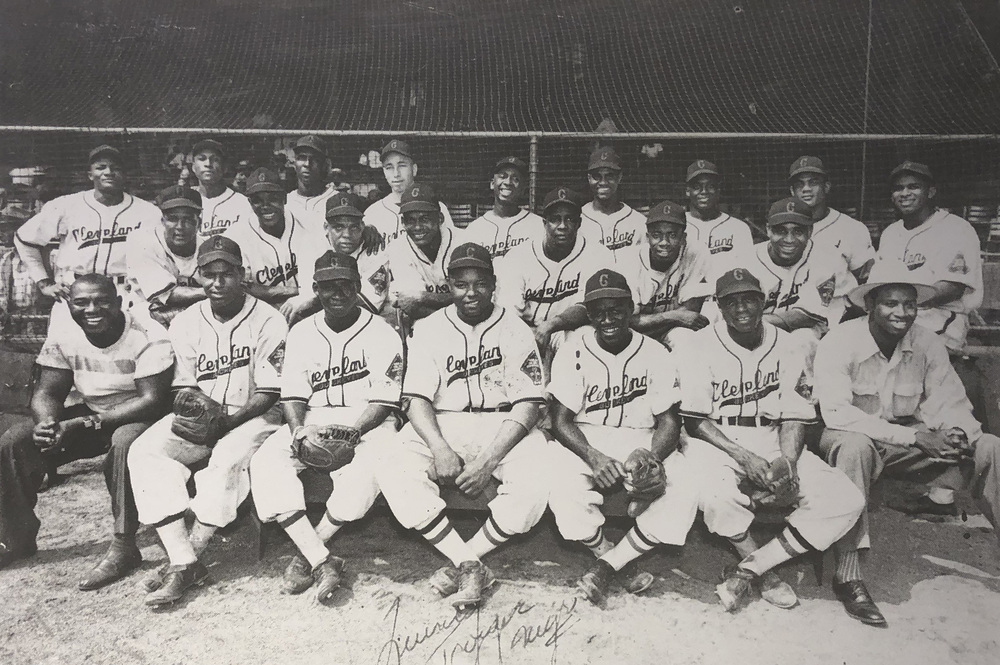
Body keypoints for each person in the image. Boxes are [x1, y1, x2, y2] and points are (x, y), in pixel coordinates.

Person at [815, 259, 1000, 627]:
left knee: (989, 447)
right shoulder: (840, 340)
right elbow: (837, 413)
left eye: (909, 304)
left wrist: (958, 432)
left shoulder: (926, 341)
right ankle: (848, 575)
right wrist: (916, 436)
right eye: (891, 303)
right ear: (870, 305)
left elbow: (948, 399)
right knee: (854, 447)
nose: (902, 313)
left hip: (908, 439)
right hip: (854, 435)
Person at [374, 243, 552, 609]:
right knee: (392, 467)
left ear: (494, 285)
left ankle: (465, 559)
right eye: (461, 284)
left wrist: (488, 461)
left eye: (480, 283)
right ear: (449, 285)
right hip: (446, 420)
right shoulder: (429, 329)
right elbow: (417, 399)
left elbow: (528, 404)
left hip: (504, 424)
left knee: (537, 482)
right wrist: (439, 447)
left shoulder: (516, 329)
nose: (471, 293)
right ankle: (469, 564)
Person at [677, 268, 864, 614]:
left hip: (773, 435)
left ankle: (752, 568)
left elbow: (794, 414)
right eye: (731, 302)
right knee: (716, 494)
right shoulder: (698, 345)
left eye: (749, 299)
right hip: (717, 439)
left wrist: (788, 463)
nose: (741, 308)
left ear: (763, 302)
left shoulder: (789, 344)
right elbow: (694, 420)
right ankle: (767, 577)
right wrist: (744, 457)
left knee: (846, 499)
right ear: (719, 307)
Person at [128, 236, 288, 607]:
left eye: (226, 273)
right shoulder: (186, 321)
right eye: (209, 274)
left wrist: (228, 422)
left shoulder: (269, 319)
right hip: (206, 415)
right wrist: (195, 410)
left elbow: (270, 391)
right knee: (144, 451)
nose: (217, 282)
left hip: (256, 414)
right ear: (198, 276)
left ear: (241, 274)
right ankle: (184, 560)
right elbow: (184, 384)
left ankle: (188, 557)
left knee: (227, 460)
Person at [0, 275, 173, 590]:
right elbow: (48, 392)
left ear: (118, 303)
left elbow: (152, 401)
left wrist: (85, 423)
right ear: (69, 305)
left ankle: (124, 545)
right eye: (81, 302)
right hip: (94, 411)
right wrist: (47, 423)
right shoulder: (65, 333)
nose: (91, 310)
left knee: (124, 442)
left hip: (142, 416)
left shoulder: (147, 333)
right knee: (15, 441)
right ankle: (14, 538)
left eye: (101, 301)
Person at [250, 251, 403, 604]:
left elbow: (385, 399)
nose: (338, 293)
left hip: (369, 421)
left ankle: (309, 551)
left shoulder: (383, 333)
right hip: (314, 417)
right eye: (328, 286)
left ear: (358, 286)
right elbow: (292, 394)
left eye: (345, 285)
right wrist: (299, 431)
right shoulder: (301, 332)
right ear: (316, 289)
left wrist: (352, 433)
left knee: (370, 469)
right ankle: (322, 559)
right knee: (266, 462)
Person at [545, 269, 697, 606]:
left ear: (631, 309)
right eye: (598, 312)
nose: (607, 319)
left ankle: (607, 566)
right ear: (589, 315)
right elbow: (560, 420)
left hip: (641, 437)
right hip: (586, 436)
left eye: (615, 310)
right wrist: (593, 456)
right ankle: (609, 553)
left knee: (685, 488)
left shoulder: (656, 352)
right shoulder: (573, 350)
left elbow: (669, 420)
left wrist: (652, 456)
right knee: (561, 486)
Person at [875, 161, 985, 421]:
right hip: (899, 315)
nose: (905, 193)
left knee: (906, 347)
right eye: (898, 188)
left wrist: (903, 303)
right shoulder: (891, 233)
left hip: (942, 317)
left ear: (931, 192)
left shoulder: (956, 228)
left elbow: (952, 288)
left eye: (914, 186)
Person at [14, 145, 159, 305]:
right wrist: (44, 283)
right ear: (90, 175)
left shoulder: (148, 212)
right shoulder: (65, 205)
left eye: (116, 168)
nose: (109, 172)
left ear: (125, 175)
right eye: (101, 167)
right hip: (74, 289)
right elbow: (25, 240)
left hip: (126, 292)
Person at [728, 197, 850, 379]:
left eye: (798, 231)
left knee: (801, 339)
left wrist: (753, 323)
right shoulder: (744, 259)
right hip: (756, 334)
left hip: (806, 334)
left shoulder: (828, 258)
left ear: (810, 231)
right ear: (768, 230)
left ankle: (803, 394)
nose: (789, 239)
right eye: (781, 231)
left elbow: (807, 316)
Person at [497, 187, 614, 362]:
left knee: (585, 338)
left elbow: (589, 306)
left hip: (570, 329)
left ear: (579, 223)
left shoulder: (597, 254)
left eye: (569, 219)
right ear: (544, 223)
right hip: (527, 329)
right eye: (555, 219)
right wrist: (529, 336)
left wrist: (551, 325)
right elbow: (509, 314)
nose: (562, 226)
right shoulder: (518, 257)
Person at [223, 167, 327, 323]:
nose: (265, 205)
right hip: (262, 316)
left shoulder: (310, 222)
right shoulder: (237, 235)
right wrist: (299, 292)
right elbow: (242, 286)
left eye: (273, 198)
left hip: (312, 309)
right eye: (257, 200)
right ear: (250, 203)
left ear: (284, 198)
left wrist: (309, 295)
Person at [620, 199, 711, 349]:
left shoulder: (696, 253)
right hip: (633, 333)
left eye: (672, 235)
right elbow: (626, 320)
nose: (664, 242)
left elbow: (691, 313)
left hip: (673, 329)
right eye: (657, 235)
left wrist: (652, 322)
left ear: (683, 238)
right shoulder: (629, 260)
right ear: (647, 237)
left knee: (686, 338)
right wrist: (674, 316)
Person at [295, 193, 391, 317]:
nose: (347, 234)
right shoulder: (311, 244)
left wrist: (317, 299)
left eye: (354, 227)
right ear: (326, 227)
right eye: (338, 227)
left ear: (362, 226)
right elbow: (307, 295)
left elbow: (369, 304)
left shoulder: (376, 249)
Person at [126, 186, 206, 326]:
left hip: (192, 315)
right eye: (173, 219)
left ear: (198, 223)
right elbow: (168, 295)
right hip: (148, 317)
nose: (180, 226)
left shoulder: (206, 246)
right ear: (162, 221)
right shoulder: (143, 243)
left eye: (188, 219)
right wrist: (215, 291)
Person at [385, 183, 464, 324]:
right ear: (403, 222)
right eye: (410, 220)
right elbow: (412, 306)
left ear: (440, 218)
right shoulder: (398, 248)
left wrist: (423, 297)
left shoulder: (463, 242)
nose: (417, 227)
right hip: (428, 325)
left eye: (424, 219)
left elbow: (473, 296)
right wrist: (454, 300)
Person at [362, 139, 455, 250]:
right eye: (389, 167)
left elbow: (449, 249)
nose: (396, 173)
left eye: (402, 165)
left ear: (414, 169)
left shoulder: (436, 207)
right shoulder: (372, 213)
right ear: (384, 172)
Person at [683, 159, 753, 276]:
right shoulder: (676, 226)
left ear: (718, 190)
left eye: (710, 186)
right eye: (697, 186)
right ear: (687, 191)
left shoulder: (738, 228)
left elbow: (746, 272)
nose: (704, 191)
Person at [464, 156, 542, 259]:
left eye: (515, 179)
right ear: (492, 184)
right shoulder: (475, 229)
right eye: (502, 176)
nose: (508, 182)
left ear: (523, 189)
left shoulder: (538, 225)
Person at [580, 147, 646, 262]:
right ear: (589, 178)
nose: (603, 182)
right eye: (597, 176)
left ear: (619, 177)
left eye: (609, 176)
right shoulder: (578, 219)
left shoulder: (638, 222)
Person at [190, 139, 255, 240]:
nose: (208, 164)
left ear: (225, 167)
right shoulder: (186, 200)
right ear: (193, 167)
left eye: (215, 159)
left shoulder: (242, 203)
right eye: (202, 159)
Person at [284, 135, 338, 221]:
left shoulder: (336, 199)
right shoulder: (286, 202)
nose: (307, 164)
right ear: (294, 163)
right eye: (302, 158)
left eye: (315, 159)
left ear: (324, 165)